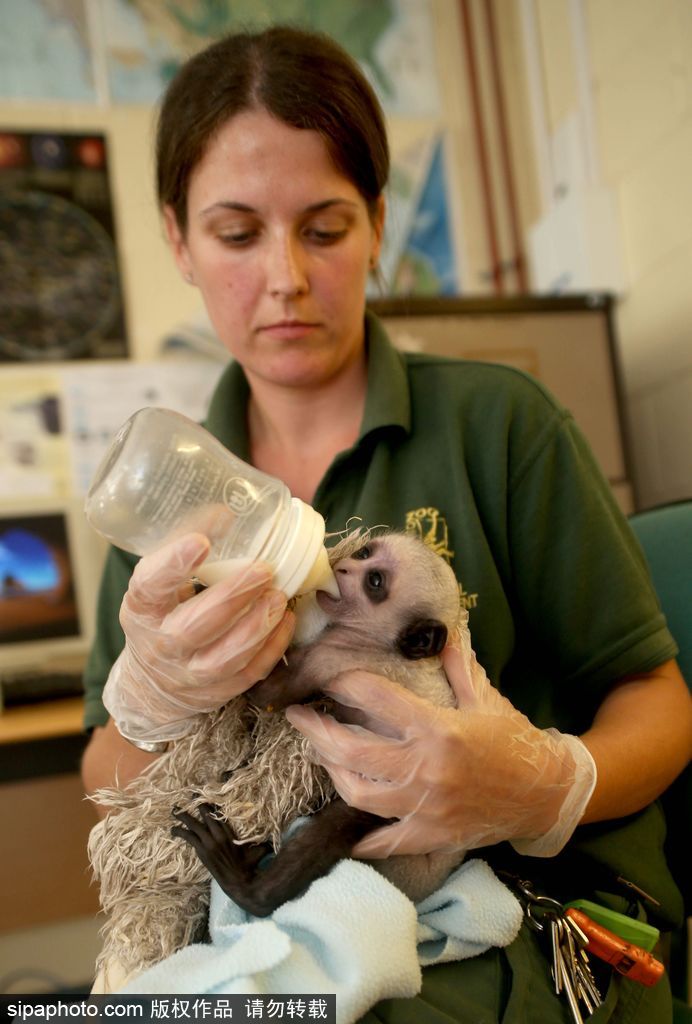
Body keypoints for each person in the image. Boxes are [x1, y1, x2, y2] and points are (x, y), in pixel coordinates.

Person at [81, 25, 692, 1023]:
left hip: (526, 918)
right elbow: (106, 773)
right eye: (236, 234)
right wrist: (149, 702)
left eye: (322, 228)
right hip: (271, 921)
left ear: (374, 223)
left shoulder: (499, 425)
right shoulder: (164, 503)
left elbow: (658, 700)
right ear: (177, 242)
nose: (283, 276)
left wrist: (542, 789)